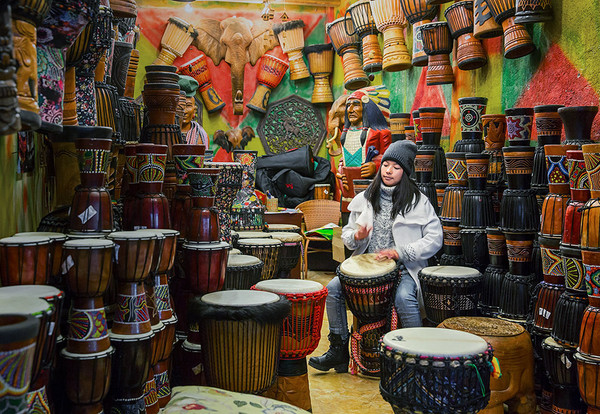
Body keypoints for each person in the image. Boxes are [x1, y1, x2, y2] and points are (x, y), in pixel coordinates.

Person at [308, 140, 443, 373]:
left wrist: (400, 252)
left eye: (396, 167)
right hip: (367, 266)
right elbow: (347, 235)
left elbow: (435, 239)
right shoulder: (365, 198)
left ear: (406, 172)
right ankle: (338, 349)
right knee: (332, 289)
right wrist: (357, 235)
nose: (388, 170)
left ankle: (417, 357)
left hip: (402, 267)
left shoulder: (418, 202)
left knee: (404, 298)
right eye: (386, 165)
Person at [335, 86, 392, 212]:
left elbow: (390, 160)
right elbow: (344, 159)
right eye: (348, 106)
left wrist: (375, 166)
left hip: (371, 188)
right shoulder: (345, 134)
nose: (350, 110)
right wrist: (341, 172)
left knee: (368, 221)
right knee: (348, 223)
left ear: (366, 108)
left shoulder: (381, 133)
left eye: (356, 105)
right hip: (347, 190)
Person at [178, 75, 209, 147]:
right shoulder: (165, 134)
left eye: (188, 105)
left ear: (194, 110)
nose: (184, 111)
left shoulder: (202, 136)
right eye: (179, 106)